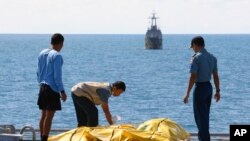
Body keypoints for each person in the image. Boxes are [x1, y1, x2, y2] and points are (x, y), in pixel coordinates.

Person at [183, 36, 220, 141]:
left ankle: (204, 139)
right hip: (209, 87)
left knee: (200, 117)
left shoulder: (196, 58)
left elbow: (193, 76)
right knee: (205, 115)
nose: (193, 49)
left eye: (193, 46)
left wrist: (187, 93)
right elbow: (216, 76)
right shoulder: (212, 58)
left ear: (196, 44)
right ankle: (205, 138)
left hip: (200, 88)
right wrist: (218, 91)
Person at [37, 33, 67, 141]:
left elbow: (38, 72)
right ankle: (45, 139)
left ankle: (41, 138)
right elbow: (57, 76)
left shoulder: (42, 53)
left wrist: (41, 84)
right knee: (49, 117)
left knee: (43, 115)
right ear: (61, 43)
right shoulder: (57, 56)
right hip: (52, 89)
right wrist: (62, 91)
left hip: (42, 86)